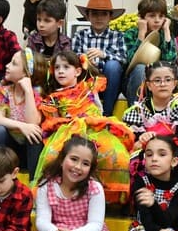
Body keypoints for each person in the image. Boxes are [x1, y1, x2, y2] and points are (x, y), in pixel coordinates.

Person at [34, 51, 135, 205]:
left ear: (77, 71)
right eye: (57, 68)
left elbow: (99, 109)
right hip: (68, 132)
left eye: (66, 67)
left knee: (117, 155)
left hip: (95, 129)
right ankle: (60, 198)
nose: (60, 71)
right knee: (54, 157)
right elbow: (53, 121)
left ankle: (111, 199)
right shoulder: (53, 98)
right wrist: (71, 122)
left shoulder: (89, 88)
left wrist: (92, 120)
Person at [122, 61, 178, 182]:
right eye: (157, 80)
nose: (163, 84)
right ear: (149, 85)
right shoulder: (139, 110)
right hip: (148, 150)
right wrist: (142, 137)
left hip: (176, 148)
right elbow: (135, 137)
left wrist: (161, 146)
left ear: (175, 83)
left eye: (168, 80)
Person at [0, 48, 44, 180]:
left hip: (30, 152)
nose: (7, 66)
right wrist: (22, 126)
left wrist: (28, 91)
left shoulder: (38, 93)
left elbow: (33, 123)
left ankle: (35, 184)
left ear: (26, 72)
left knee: (35, 134)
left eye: (13, 63)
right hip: (9, 150)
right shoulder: (4, 91)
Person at [72, 0, 127, 116]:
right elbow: (73, 57)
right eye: (95, 14)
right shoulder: (80, 35)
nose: (99, 18)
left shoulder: (118, 36)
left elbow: (124, 59)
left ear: (110, 17)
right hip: (87, 80)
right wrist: (86, 60)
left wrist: (104, 55)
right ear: (88, 16)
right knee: (78, 65)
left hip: (110, 83)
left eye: (104, 14)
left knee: (113, 65)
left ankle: (106, 114)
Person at [124, 0, 177, 102]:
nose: (157, 20)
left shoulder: (164, 34)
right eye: (152, 16)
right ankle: (135, 109)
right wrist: (141, 34)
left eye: (161, 16)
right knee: (140, 68)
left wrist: (166, 30)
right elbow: (130, 61)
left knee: (176, 71)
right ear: (141, 17)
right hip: (133, 81)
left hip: (158, 80)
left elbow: (170, 61)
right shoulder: (131, 34)